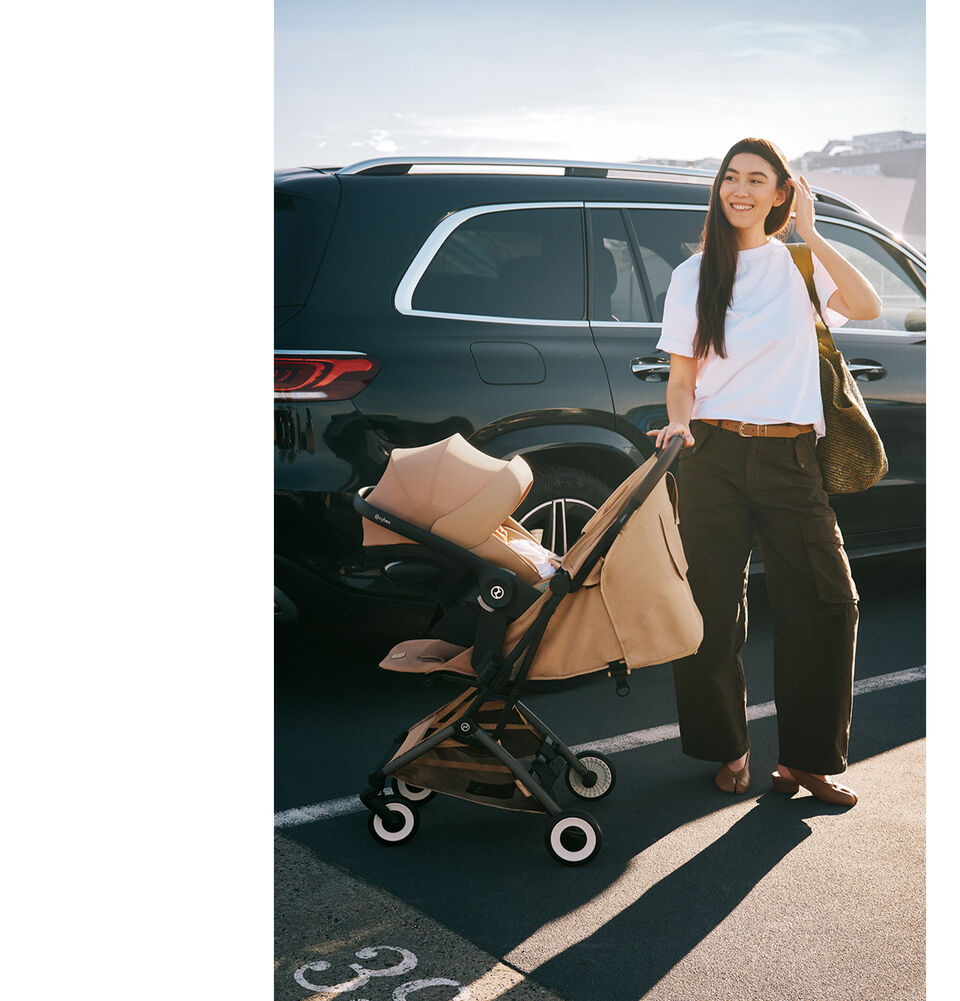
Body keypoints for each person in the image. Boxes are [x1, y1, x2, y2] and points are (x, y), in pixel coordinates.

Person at [648, 137, 882, 806]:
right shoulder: (693, 276)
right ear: (719, 188)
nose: (739, 189)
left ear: (783, 192)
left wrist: (813, 231)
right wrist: (681, 421)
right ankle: (729, 746)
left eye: (756, 178)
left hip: (790, 458)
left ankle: (807, 761)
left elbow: (866, 307)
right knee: (709, 610)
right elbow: (683, 376)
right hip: (712, 457)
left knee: (829, 602)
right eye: (730, 177)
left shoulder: (800, 264)